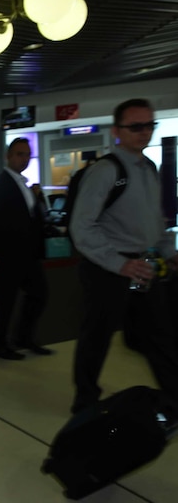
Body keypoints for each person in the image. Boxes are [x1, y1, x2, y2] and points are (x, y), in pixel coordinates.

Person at [69, 98, 178, 413]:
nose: (144, 132)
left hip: (144, 264)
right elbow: (83, 227)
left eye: (149, 125)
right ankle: (85, 399)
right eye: (135, 126)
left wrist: (169, 252)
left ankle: (173, 393)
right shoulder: (105, 171)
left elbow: (154, 221)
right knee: (97, 336)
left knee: (160, 333)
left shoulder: (149, 168)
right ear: (117, 131)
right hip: (108, 267)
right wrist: (120, 263)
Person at [0, 137, 52, 360]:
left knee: (39, 294)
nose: (24, 159)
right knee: (4, 303)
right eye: (20, 154)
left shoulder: (27, 185)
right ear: (9, 156)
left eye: (27, 155)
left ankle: (23, 337)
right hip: (7, 256)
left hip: (28, 255)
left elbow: (33, 218)